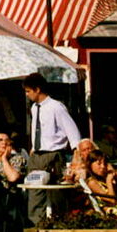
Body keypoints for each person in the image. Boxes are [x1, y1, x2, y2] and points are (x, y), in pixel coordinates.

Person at [23, 72, 81, 224]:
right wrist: (34, 147)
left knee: (56, 194)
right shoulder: (34, 108)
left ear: (37, 89)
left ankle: (59, 223)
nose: (27, 94)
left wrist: (76, 153)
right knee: (35, 192)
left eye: (28, 91)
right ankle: (38, 225)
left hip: (53, 154)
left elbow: (72, 131)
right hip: (37, 155)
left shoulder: (56, 107)